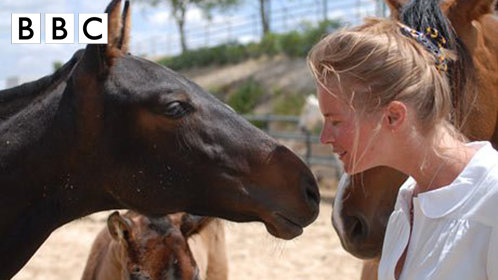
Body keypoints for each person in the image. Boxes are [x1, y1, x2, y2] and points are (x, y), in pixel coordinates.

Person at [307, 17, 498, 280]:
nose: (324, 137)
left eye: (336, 121)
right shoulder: (407, 202)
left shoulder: (492, 201)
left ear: (394, 116)